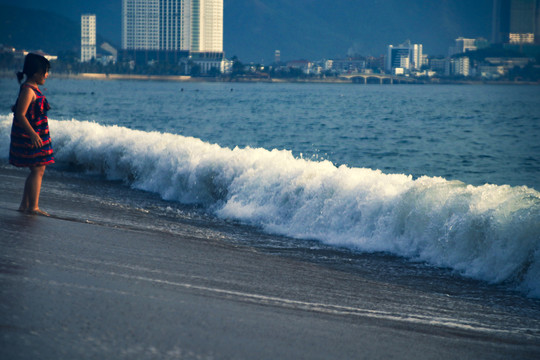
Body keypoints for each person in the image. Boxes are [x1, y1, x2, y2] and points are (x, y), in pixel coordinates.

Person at [9, 53, 54, 216]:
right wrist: (33, 134)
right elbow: (20, 114)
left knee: (37, 169)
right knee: (38, 169)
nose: (47, 76)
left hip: (34, 134)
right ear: (36, 73)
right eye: (45, 72)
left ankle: (25, 205)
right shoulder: (29, 90)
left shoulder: (31, 88)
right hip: (30, 135)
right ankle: (32, 207)